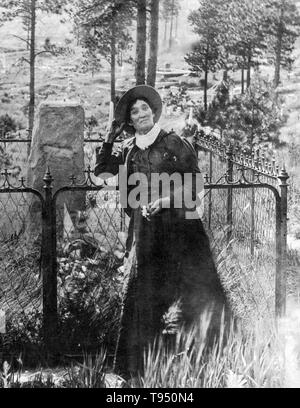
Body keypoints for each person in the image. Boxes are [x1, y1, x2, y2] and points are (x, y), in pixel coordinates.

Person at [94, 85, 229, 379]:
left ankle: (207, 365)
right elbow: (103, 173)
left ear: (154, 112)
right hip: (148, 234)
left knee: (197, 294)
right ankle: (142, 369)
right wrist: (110, 136)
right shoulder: (129, 151)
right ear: (128, 120)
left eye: (144, 108)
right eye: (134, 111)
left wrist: (165, 201)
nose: (140, 113)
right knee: (144, 297)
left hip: (183, 229)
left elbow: (196, 186)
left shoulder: (174, 143)